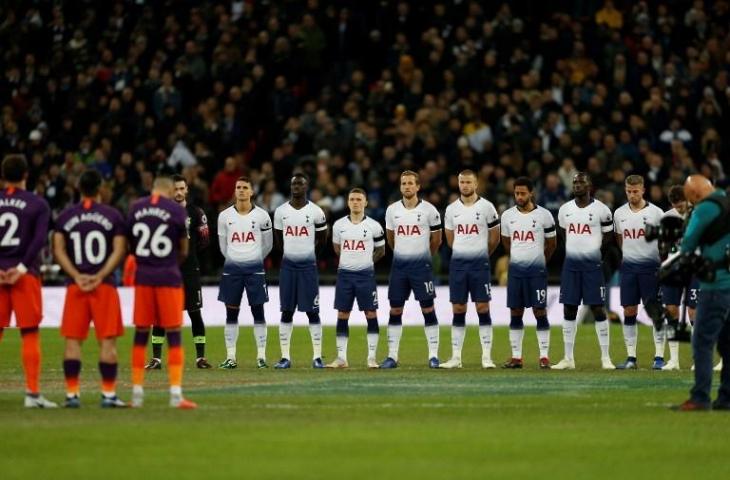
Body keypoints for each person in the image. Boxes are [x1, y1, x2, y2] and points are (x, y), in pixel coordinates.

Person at [53, 169, 128, 408]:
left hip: (76, 287)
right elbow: (119, 249)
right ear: (100, 188)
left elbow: (58, 249)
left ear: (79, 188)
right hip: (103, 287)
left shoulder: (65, 216)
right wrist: (100, 275)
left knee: (73, 342)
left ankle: (72, 395)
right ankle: (108, 395)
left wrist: (76, 275)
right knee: (107, 342)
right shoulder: (113, 215)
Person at [127, 176, 195, 409]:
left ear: (152, 189)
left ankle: (136, 394)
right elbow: (184, 250)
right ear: (168, 190)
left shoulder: (136, 208)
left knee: (140, 334)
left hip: (144, 278)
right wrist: (168, 264)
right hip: (168, 278)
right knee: (174, 333)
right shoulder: (176, 211)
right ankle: (176, 395)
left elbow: (130, 244)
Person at [0, 154, 57, 408]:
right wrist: (21, 268)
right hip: (26, 277)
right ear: (26, 175)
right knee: (30, 333)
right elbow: (39, 240)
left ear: (3, 176)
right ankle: (32, 395)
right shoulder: (38, 204)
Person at [673, 175, 730, 411]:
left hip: (715, 284)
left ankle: (700, 397)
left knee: (702, 342)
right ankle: (726, 398)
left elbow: (687, 244)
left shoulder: (705, 208)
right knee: (728, 343)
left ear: (694, 195)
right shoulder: (727, 202)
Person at [146, 174, 212, 370]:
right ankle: (156, 359)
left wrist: (188, 254)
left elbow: (204, 241)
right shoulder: (160, 213)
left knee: (194, 312)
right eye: (175, 189)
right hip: (166, 270)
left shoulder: (196, 212)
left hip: (190, 269)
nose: (179, 192)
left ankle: (201, 358)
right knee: (159, 314)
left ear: (187, 190)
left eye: (182, 188)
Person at [553, 172, 615, 370]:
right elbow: (563, 234)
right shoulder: (564, 210)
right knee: (569, 308)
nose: (577, 185)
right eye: (575, 182)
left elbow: (608, 237)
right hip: (571, 266)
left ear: (590, 186)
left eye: (581, 182)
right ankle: (568, 358)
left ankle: (606, 358)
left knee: (598, 308)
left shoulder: (602, 210)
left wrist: (594, 254)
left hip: (592, 267)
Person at [380, 170, 442, 369]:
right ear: (400, 186)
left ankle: (433, 355)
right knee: (395, 309)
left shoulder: (430, 211)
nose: (406, 186)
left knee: (428, 309)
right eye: (403, 183)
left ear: (418, 187)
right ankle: (392, 356)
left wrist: (423, 257)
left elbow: (437, 240)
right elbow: (391, 239)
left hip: (421, 268)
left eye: (410, 183)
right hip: (399, 268)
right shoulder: (392, 211)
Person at [440, 170, 500, 369]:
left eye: (468, 182)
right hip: (458, 265)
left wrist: (481, 253)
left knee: (482, 307)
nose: (465, 185)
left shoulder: (487, 207)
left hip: (479, 264)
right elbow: (450, 239)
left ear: (476, 184)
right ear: (458, 184)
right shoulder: (451, 209)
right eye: (462, 182)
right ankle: (456, 357)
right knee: (458, 308)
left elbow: (494, 238)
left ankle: (486, 357)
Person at [500, 177, 557, 369]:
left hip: (536, 272)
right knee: (515, 311)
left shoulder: (545, 215)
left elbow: (552, 244)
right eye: (516, 193)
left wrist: (540, 261)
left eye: (523, 193)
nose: (519, 196)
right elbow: (507, 243)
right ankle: (516, 357)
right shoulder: (507, 216)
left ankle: (544, 356)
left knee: (539, 310)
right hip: (516, 271)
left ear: (531, 193)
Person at [272, 173, 328, 369]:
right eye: (294, 183)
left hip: (308, 268)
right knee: (287, 311)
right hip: (288, 267)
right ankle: (285, 357)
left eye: (300, 184)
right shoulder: (280, 212)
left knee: (312, 312)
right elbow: (278, 241)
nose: (296, 186)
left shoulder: (316, 211)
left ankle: (317, 357)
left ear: (307, 187)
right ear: (290, 186)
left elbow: (323, 239)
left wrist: (310, 255)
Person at [217, 176, 273, 369]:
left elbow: (267, 245)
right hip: (232, 270)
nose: (241, 190)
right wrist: (236, 258)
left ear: (252, 192)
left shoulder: (262, 216)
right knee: (231, 314)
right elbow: (223, 247)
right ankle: (231, 357)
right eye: (238, 187)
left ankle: (261, 357)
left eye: (244, 187)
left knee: (258, 312)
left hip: (255, 270)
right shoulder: (224, 216)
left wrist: (253, 258)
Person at [327, 188, 386, 368]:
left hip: (365, 275)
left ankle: (371, 358)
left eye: (359, 199)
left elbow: (381, 250)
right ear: (348, 202)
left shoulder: (374, 226)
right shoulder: (338, 225)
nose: (355, 202)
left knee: (371, 313)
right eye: (352, 199)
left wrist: (366, 261)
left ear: (365, 203)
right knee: (343, 313)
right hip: (345, 275)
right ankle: (341, 358)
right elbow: (337, 248)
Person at [613, 175, 665, 370]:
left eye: (635, 191)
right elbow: (620, 239)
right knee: (629, 310)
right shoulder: (619, 213)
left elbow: (663, 243)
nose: (632, 195)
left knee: (654, 312)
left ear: (643, 190)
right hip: (628, 268)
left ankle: (659, 357)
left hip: (651, 269)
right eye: (628, 191)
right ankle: (631, 358)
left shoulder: (657, 213)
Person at [660, 186, 699, 371]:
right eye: (676, 205)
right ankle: (673, 359)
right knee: (671, 310)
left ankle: (698, 358)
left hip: (695, 269)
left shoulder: (699, 215)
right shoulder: (666, 218)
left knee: (694, 312)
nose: (680, 208)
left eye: (682, 204)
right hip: (673, 269)